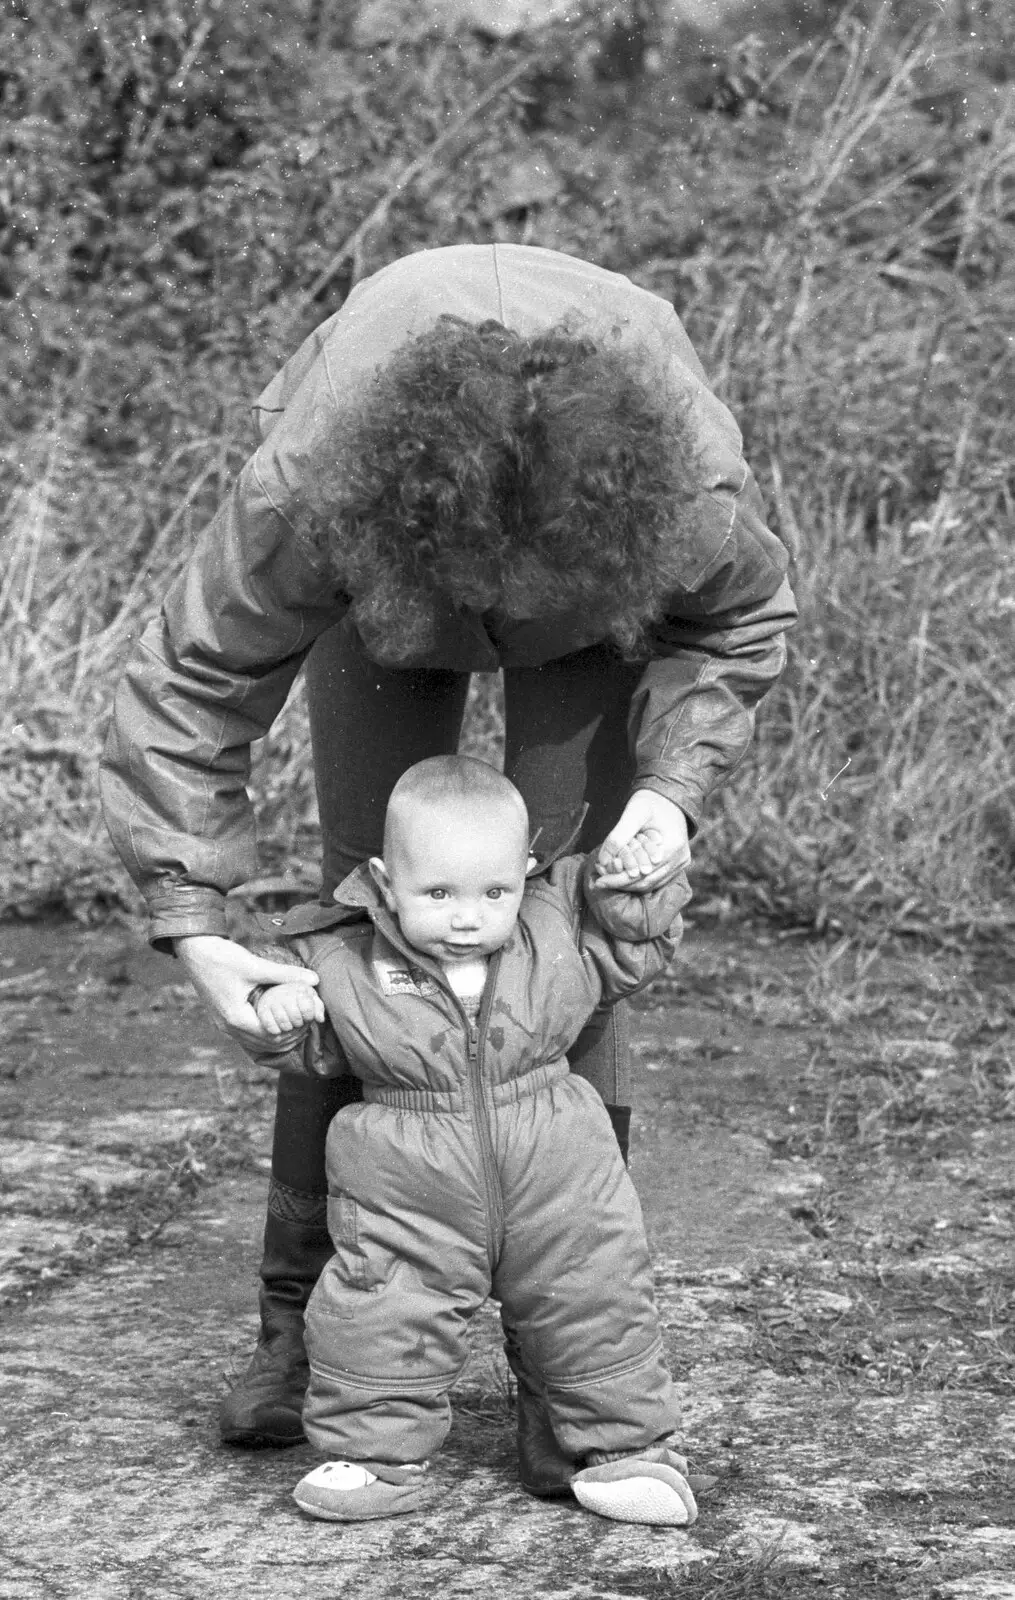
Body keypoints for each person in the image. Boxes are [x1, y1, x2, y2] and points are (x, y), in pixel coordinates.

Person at [99, 244, 797, 1492]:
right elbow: (193, 680)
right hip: (389, 564)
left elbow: (739, 622)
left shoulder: (678, 499)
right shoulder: (322, 490)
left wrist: (668, 795)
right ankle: (305, 1340)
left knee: (573, 913)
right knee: (375, 921)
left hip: (608, 565)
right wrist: (196, 919)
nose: (504, 619)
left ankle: (568, 1372)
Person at [247, 753, 699, 1525]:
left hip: (557, 1167)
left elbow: (637, 943)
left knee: (595, 1296)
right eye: (438, 893)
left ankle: (631, 1451)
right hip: (404, 1175)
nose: (468, 916)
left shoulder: (555, 926)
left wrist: (634, 889)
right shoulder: (343, 956)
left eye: (494, 891)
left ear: (526, 871)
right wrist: (273, 1007)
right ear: (385, 883)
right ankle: (374, 1457)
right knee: (383, 1306)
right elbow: (301, 1040)